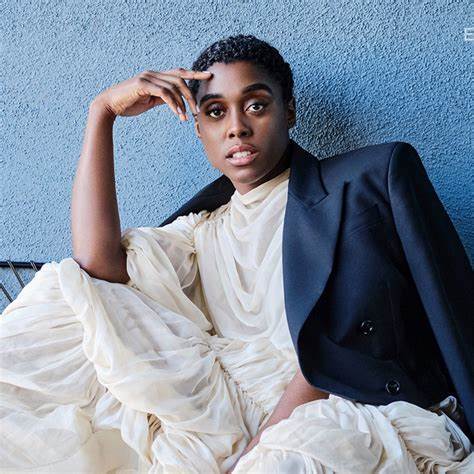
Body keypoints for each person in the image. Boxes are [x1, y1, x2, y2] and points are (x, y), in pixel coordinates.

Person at [0, 34, 473, 473]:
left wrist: (254, 455)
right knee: (61, 295)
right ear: (198, 129)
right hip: (231, 412)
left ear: (289, 111)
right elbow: (96, 269)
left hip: (336, 407)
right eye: (215, 112)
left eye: (256, 105)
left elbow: (346, 345)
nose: (237, 128)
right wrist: (101, 112)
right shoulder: (201, 231)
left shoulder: (361, 185)